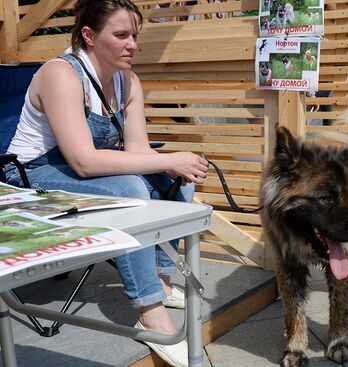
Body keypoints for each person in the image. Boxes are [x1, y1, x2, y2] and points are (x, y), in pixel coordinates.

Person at [3, 1, 209, 366]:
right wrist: (168, 158)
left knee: (177, 181)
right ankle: (150, 310)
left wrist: (174, 165)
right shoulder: (61, 74)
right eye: (121, 35)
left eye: (135, 36)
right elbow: (83, 162)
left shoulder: (127, 80)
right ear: (89, 36)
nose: (132, 44)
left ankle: (159, 278)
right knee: (130, 189)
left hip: (79, 165)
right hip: (32, 173)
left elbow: (140, 151)